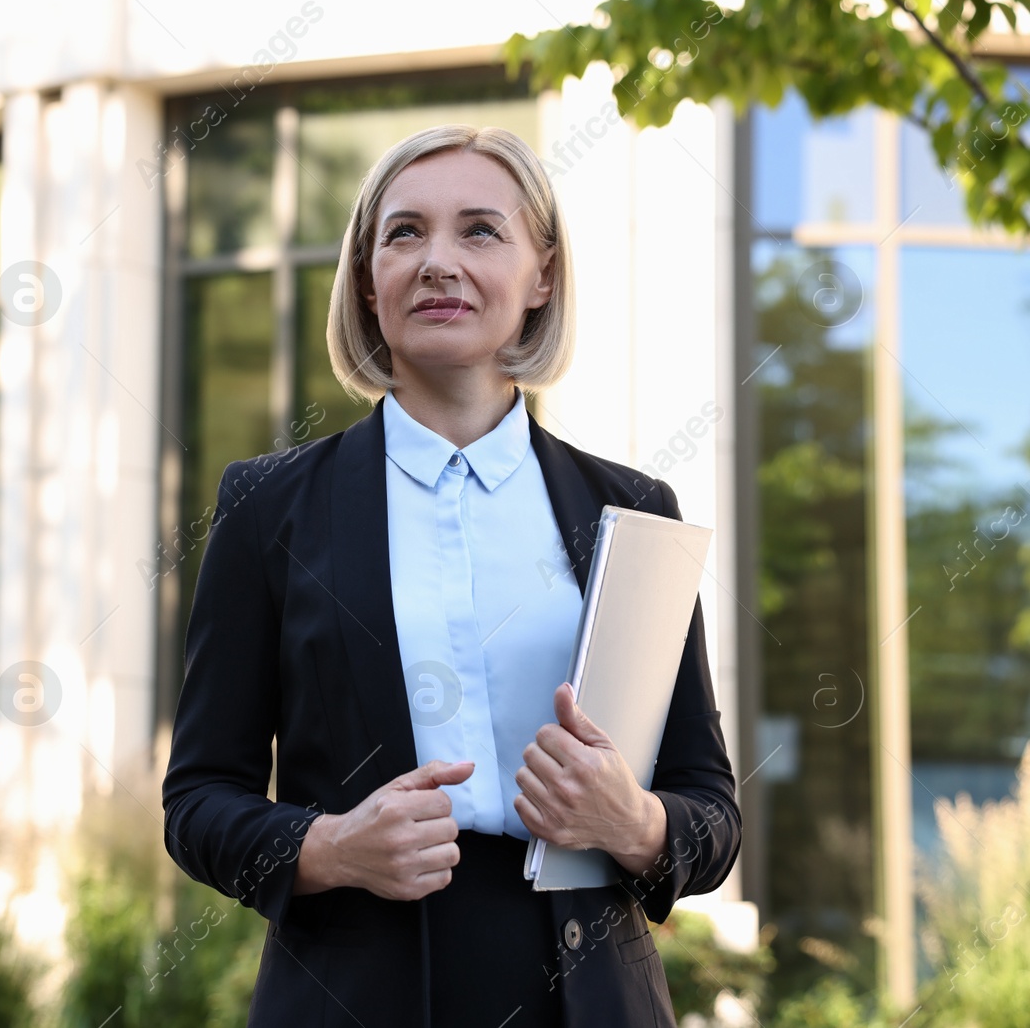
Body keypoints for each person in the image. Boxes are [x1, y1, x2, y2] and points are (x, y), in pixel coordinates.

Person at [160, 123, 742, 1026]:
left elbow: (711, 808)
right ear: (366, 278)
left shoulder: (632, 510)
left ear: (541, 273)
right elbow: (197, 800)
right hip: (352, 991)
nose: (438, 262)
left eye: (480, 230)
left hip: (589, 994)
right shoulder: (268, 506)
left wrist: (632, 821)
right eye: (404, 233)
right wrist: (331, 846)